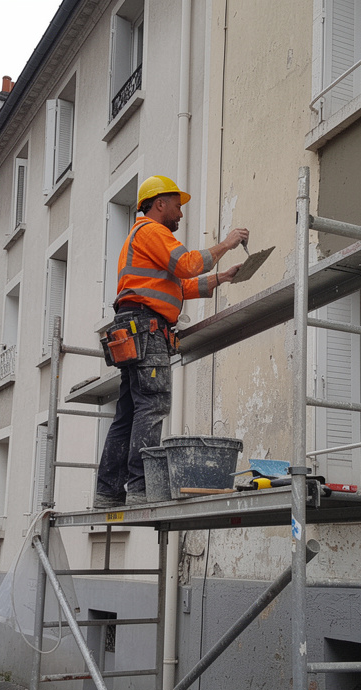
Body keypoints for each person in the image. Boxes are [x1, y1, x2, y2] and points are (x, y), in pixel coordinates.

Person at [93, 175, 249, 508]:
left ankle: (109, 492)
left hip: (134, 327)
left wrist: (221, 278)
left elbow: (180, 286)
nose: (180, 213)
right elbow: (187, 265)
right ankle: (140, 488)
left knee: (129, 411)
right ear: (159, 204)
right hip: (146, 328)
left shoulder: (142, 238)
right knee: (153, 405)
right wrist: (226, 244)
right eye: (177, 206)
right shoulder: (152, 231)